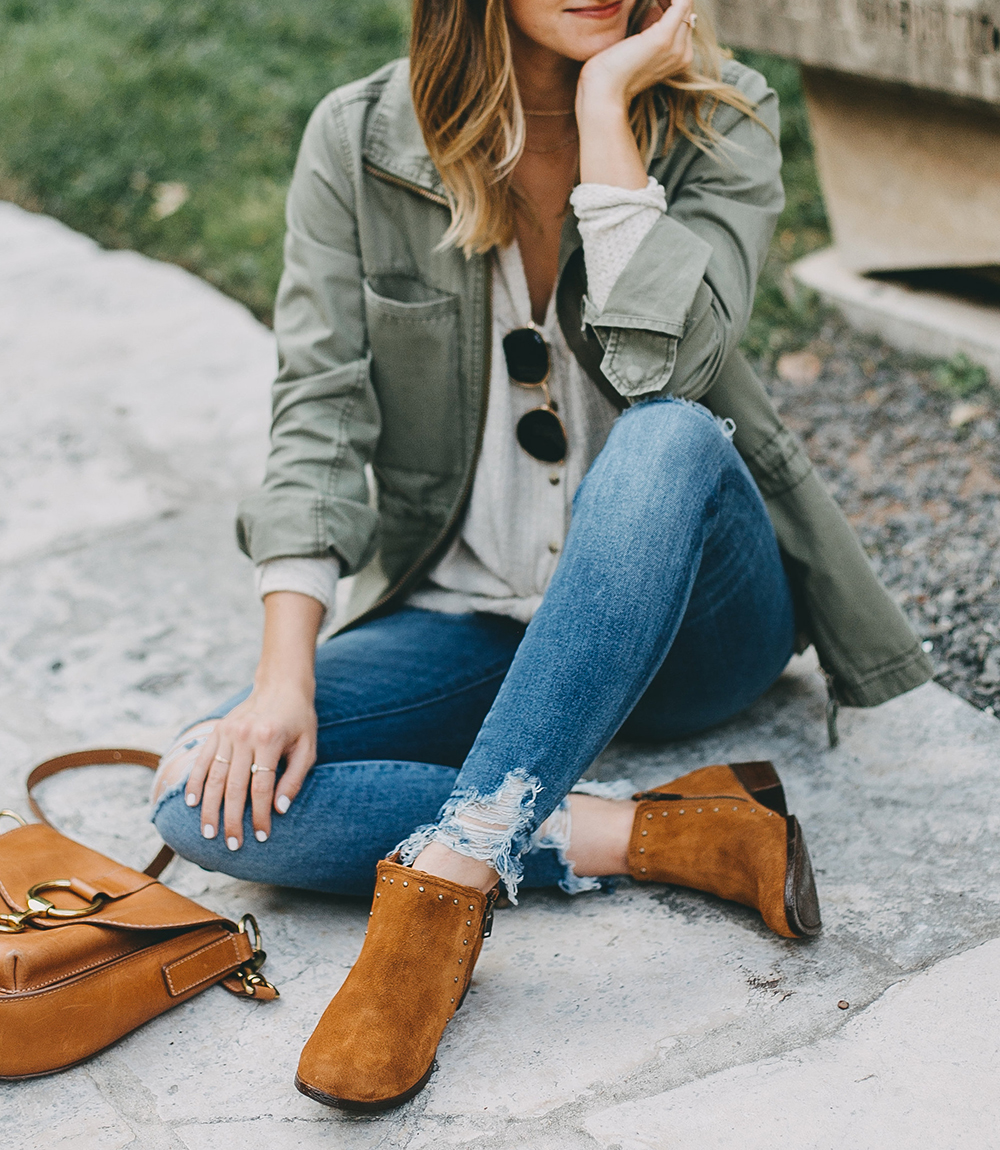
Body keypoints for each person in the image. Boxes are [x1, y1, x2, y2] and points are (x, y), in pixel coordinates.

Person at [151, 0, 930, 1113]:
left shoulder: (722, 115)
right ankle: (664, 835)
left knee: (666, 433)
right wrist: (282, 683)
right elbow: (317, 409)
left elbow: (675, 368)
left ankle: (451, 878)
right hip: (479, 613)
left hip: (696, 622)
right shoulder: (362, 137)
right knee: (204, 794)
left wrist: (610, 112)